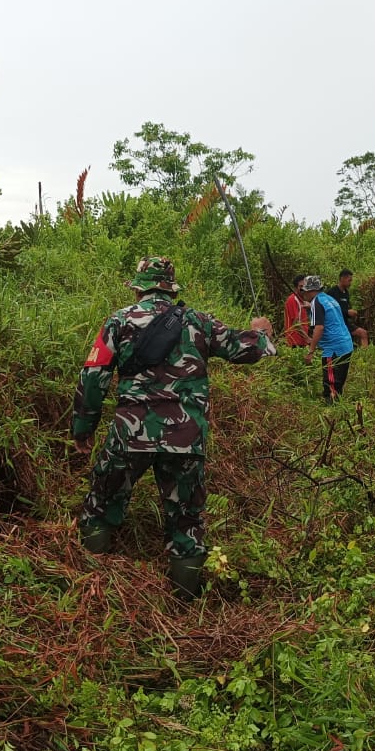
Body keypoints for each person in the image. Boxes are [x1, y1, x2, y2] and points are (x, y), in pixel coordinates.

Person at [71, 256, 276, 598]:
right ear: (170, 287)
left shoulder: (119, 320)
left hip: (130, 435)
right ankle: (186, 603)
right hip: (186, 437)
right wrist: (263, 333)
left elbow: (93, 378)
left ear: (138, 287)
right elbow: (246, 350)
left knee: (101, 503)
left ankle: (88, 589)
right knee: (186, 521)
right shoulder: (198, 321)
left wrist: (83, 429)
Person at [300, 275, 354, 402]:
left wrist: (311, 351)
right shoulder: (328, 299)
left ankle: (331, 410)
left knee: (331, 385)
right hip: (346, 345)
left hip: (334, 349)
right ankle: (338, 406)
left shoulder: (316, 303)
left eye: (304, 291)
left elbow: (319, 328)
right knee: (338, 383)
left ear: (310, 291)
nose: (303, 295)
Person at [327, 268, 369, 348]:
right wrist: (347, 312)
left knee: (363, 333)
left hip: (345, 323)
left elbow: (347, 309)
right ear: (342, 278)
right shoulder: (332, 292)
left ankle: (364, 357)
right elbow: (330, 311)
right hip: (336, 325)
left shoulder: (346, 292)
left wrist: (352, 314)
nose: (350, 283)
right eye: (349, 280)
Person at [282, 274, 310, 348]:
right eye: (301, 286)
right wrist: (307, 338)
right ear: (296, 288)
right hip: (294, 341)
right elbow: (296, 322)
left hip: (302, 341)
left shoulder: (303, 300)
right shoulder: (293, 299)